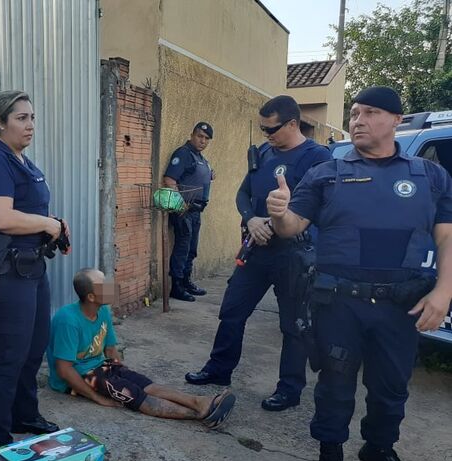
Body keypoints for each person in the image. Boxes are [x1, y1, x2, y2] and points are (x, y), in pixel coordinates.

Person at [267, 86, 452, 461]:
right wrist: (280, 213)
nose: (358, 120)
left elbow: (446, 238)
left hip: (400, 305)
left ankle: (379, 449)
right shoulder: (326, 173)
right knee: (335, 382)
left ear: (395, 121)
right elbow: (293, 227)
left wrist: (444, 291)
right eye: (354, 112)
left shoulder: (429, 176)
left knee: (391, 386)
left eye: (370, 113)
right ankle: (330, 454)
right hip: (340, 303)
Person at [185, 96, 332, 412]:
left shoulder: (318, 157)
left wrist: (278, 220)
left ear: (292, 123)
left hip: (294, 254)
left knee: (293, 325)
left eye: (272, 128)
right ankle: (218, 369)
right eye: (263, 128)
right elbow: (243, 194)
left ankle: (289, 389)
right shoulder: (264, 153)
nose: (267, 134)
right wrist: (252, 219)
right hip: (258, 249)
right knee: (232, 309)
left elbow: (318, 203)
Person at [0, 90, 71, 461]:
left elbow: (29, 210)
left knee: (34, 346)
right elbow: (1, 217)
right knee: (8, 358)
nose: (30, 125)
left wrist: (55, 228)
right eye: (21, 118)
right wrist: (48, 223)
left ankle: (23, 415)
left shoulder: (23, 161)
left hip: (31, 267)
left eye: (32, 117)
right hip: (5, 272)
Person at [47, 269, 236, 428]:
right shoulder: (68, 320)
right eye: (103, 284)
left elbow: (110, 348)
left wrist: (120, 370)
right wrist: (97, 397)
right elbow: (64, 370)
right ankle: (199, 414)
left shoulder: (102, 310)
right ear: (91, 296)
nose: (111, 286)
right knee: (135, 395)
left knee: (144, 384)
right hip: (79, 376)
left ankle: (198, 402)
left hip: (100, 366)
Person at [163, 122, 215, 301]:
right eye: (200, 136)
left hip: (196, 211)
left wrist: (209, 174)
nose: (203, 141)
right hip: (184, 210)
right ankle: (176, 287)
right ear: (192, 135)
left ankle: (186, 281)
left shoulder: (199, 157)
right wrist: (179, 205)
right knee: (183, 248)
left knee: (191, 249)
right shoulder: (183, 153)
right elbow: (170, 180)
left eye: (206, 138)